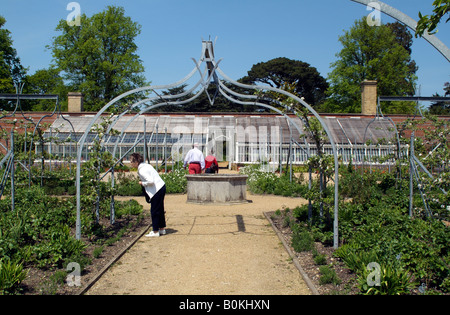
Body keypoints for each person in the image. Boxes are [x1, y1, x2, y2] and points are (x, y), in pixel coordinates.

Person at [130, 153, 166, 238]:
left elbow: (151, 181)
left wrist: (142, 183)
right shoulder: (146, 166)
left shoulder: (142, 170)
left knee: (154, 210)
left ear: (136, 162)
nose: (130, 163)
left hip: (156, 190)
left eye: (131, 161)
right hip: (161, 187)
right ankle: (161, 228)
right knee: (160, 209)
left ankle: (155, 231)